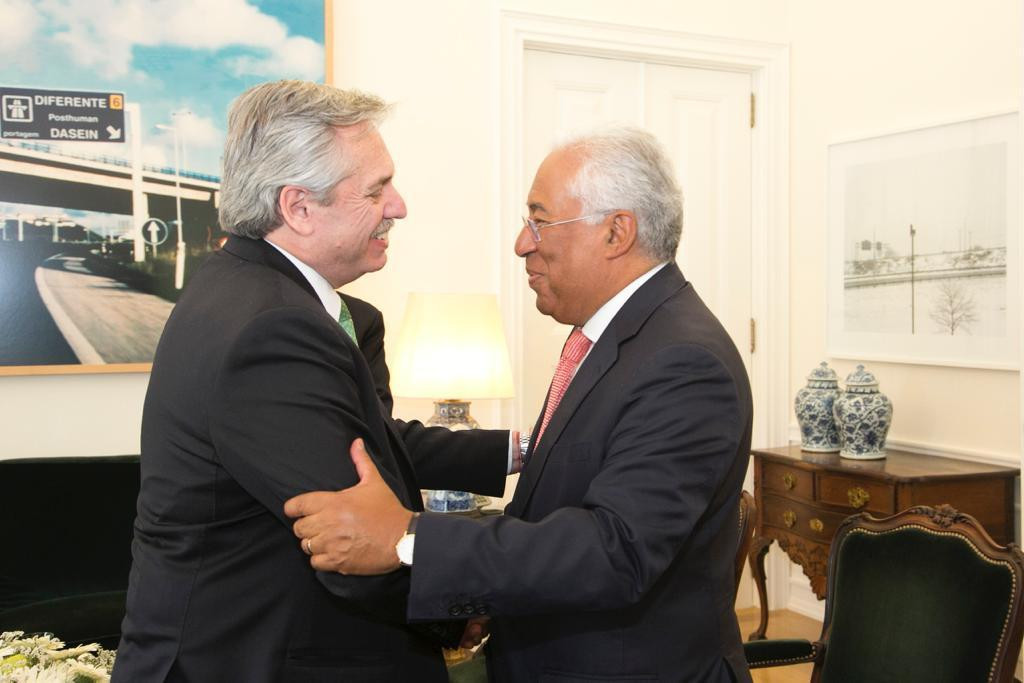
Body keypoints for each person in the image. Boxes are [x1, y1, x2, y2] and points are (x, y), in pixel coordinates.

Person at [286, 127, 754, 682]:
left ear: (616, 232)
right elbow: (552, 506)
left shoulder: (683, 362)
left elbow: (615, 549)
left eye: (540, 220)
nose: (522, 242)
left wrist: (407, 537)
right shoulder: (612, 336)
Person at [112, 80, 511, 682]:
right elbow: (349, 541)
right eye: (376, 189)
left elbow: (376, 448)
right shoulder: (273, 328)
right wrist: (463, 613)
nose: (398, 205)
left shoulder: (244, 290)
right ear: (298, 208)